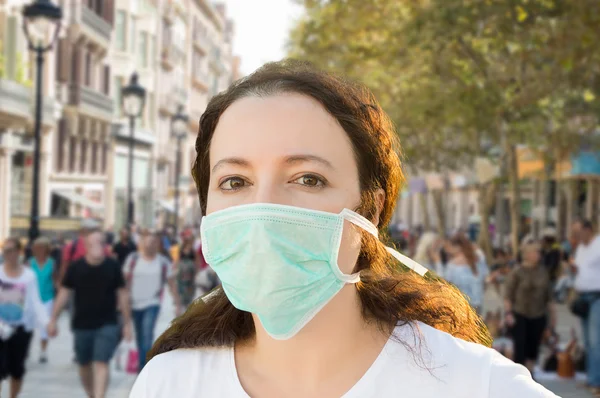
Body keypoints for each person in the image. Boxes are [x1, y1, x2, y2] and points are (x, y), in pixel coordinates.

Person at [129, 61, 555, 397]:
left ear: (370, 210)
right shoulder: (167, 384)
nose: (264, 208)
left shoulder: (477, 386)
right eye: (234, 182)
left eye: (308, 178)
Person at [48, 231, 132, 398]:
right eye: (93, 242)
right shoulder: (75, 267)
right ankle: (92, 394)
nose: (98, 245)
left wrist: (128, 323)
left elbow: (122, 294)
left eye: (101, 242)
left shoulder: (112, 266)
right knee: (84, 364)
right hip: (82, 324)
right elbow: (64, 293)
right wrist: (53, 319)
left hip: (108, 323)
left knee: (101, 362)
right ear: (85, 246)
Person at [123, 231, 181, 371]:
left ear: (157, 245)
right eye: (147, 242)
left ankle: (143, 368)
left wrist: (177, 303)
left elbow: (171, 283)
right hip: (134, 303)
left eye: (153, 242)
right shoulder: (133, 259)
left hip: (152, 303)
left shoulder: (162, 262)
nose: (150, 245)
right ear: (142, 243)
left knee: (147, 333)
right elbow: (124, 283)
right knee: (140, 336)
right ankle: (143, 361)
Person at [0, 237, 49, 398]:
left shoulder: (29, 276)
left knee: (17, 369)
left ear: (19, 252)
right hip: (1, 327)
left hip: (21, 329)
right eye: (5, 251)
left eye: (11, 251)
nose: (8, 255)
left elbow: (36, 301)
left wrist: (47, 323)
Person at [504, 241, 556, 376]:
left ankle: (530, 375)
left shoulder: (543, 272)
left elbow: (549, 297)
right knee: (520, 347)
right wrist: (508, 313)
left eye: (539, 251)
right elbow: (508, 295)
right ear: (527, 254)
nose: (539, 254)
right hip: (519, 314)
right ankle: (519, 377)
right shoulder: (517, 272)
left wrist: (553, 318)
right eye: (535, 251)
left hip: (538, 315)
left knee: (533, 348)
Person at [572, 220, 600, 394]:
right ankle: (592, 378)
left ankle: (596, 381)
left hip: (597, 296)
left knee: (595, 340)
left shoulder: (598, 245)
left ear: (588, 230)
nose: (576, 236)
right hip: (583, 297)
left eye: (578, 232)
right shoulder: (581, 248)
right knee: (588, 341)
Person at [435, 234, 488, 314]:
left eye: (449, 246)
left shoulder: (452, 265)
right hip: (478, 306)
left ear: (457, 247)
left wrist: (437, 262)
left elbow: (442, 284)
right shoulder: (478, 261)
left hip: (460, 307)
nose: (447, 250)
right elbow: (485, 283)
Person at [27, 236, 57, 363]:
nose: (39, 250)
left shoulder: (52, 263)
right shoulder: (29, 262)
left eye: (42, 248)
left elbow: (55, 280)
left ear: (46, 249)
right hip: (32, 299)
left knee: (45, 326)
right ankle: (26, 349)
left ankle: (43, 352)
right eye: (37, 248)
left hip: (47, 297)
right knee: (28, 326)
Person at [175, 229, 199, 308]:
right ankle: (181, 299)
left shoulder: (193, 250)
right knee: (181, 284)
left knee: (190, 285)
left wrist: (196, 270)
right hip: (182, 271)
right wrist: (176, 267)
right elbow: (178, 260)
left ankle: (188, 299)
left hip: (190, 271)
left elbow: (196, 260)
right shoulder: (181, 249)